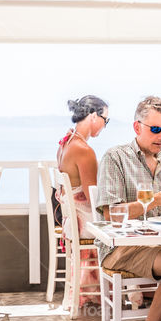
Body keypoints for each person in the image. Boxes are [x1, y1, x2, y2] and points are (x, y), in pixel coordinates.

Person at [95, 96, 161, 321]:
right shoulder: (116, 157)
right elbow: (110, 212)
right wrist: (154, 201)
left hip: (160, 244)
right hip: (119, 249)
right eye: (155, 130)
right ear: (137, 127)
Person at [56, 95, 108, 308]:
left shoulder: (66, 142)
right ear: (94, 116)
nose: (105, 125)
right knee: (119, 226)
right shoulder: (84, 150)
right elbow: (93, 197)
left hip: (72, 218)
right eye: (105, 119)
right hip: (83, 221)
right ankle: (130, 291)